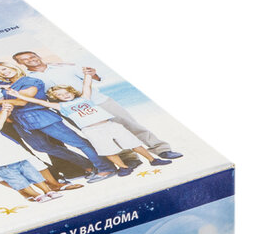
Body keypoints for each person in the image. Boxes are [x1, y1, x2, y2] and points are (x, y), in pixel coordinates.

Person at [12, 51, 182, 160]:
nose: (30, 60)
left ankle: (161, 149)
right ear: (20, 63)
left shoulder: (65, 67)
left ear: (38, 56)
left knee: (130, 125)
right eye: (24, 59)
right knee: (100, 135)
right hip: (74, 111)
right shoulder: (29, 79)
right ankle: (129, 158)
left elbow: (95, 78)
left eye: (32, 56)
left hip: (99, 101)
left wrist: (94, 74)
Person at [18, 72, 173, 177]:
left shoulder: (84, 98)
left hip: (109, 125)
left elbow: (86, 86)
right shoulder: (61, 106)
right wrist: (18, 95)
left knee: (133, 143)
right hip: (92, 131)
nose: (64, 95)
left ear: (72, 92)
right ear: (55, 97)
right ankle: (123, 167)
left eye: (67, 93)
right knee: (107, 150)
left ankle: (153, 160)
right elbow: (40, 102)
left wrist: (87, 75)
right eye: (59, 95)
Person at [0, 61, 116, 182]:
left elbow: (22, 102)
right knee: (41, 147)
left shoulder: (30, 81)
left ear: (12, 67)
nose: (2, 72)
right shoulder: (6, 88)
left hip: (41, 117)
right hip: (21, 122)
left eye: (4, 68)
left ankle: (106, 168)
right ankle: (88, 165)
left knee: (78, 142)